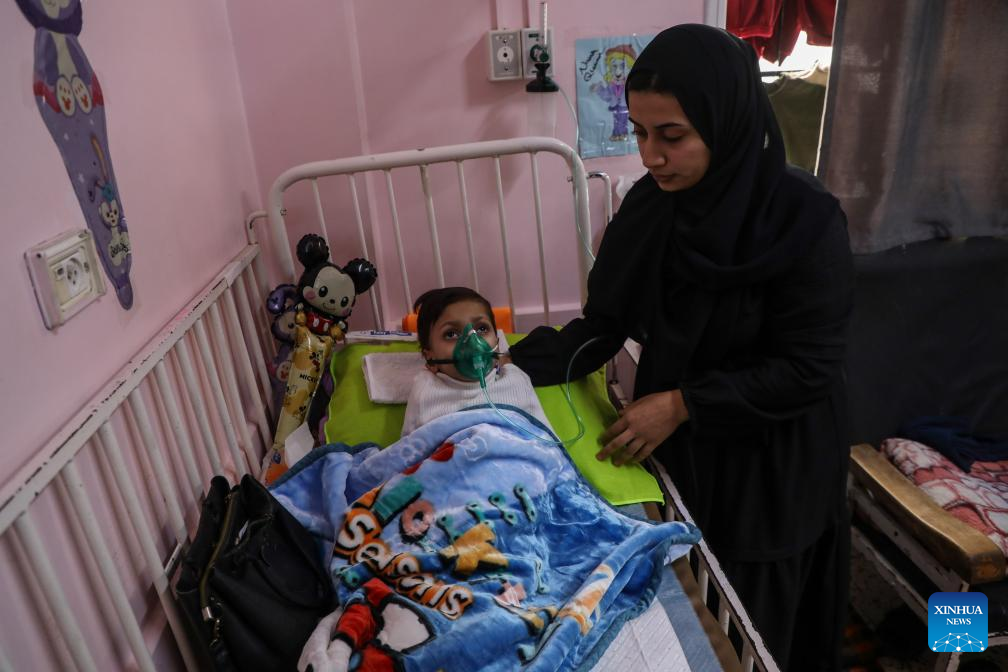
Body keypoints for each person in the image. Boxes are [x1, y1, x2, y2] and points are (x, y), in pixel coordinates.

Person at [504, 24, 854, 672]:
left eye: (671, 136)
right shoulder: (652, 208)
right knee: (689, 598)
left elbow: (807, 367)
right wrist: (510, 362)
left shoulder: (803, 220)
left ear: (726, 123)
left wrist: (683, 403)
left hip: (773, 461)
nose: (652, 157)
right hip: (685, 445)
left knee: (755, 629)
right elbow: (604, 325)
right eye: (640, 134)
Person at [402, 287, 553, 437]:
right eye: (451, 334)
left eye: (481, 329)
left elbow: (546, 438)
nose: (473, 343)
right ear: (430, 359)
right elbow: (409, 447)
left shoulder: (515, 379)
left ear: (497, 344)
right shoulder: (425, 390)